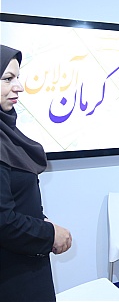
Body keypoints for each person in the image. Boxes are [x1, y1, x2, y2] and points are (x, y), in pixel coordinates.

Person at [0, 45, 73, 301]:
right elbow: (3, 222)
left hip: (25, 264)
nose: (19, 87)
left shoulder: (6, 134)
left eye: (17, 78)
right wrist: (50, 234)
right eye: (8, 79)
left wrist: (43, 224)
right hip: (12, 278)